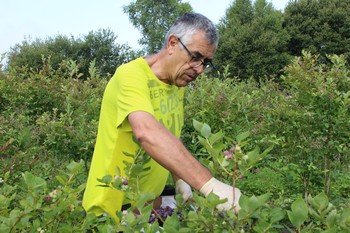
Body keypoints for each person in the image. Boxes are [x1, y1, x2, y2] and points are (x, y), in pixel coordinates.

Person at [82, 12, 241, 222]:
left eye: (206, 62)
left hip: (148, 208)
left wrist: (180, 180)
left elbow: (168, 136)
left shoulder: (176, 84)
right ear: (173, 43)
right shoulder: (131, 75)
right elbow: (147, 132)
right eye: (195, 57)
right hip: (111, 210)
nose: (199, 69)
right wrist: (208, 184)